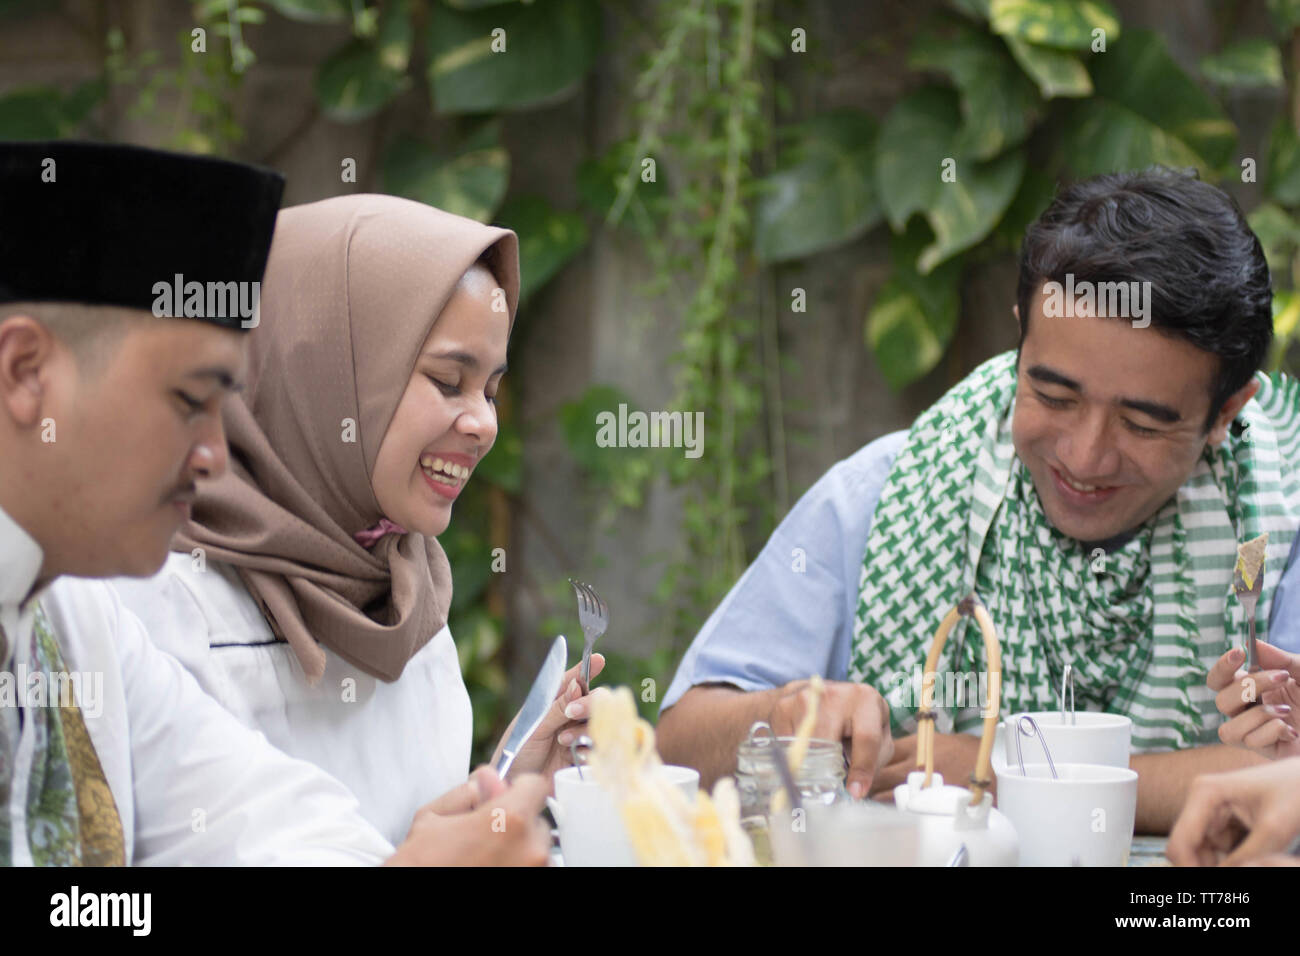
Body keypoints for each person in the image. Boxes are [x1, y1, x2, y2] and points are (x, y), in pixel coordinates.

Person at [657, 167, 1300, 835]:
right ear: (1022, 335)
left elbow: (1288, 783)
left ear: (1228, 410)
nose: (1084, 457)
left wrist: (995, 774)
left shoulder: (1276, 524)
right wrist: (786, 714)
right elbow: (677, 743)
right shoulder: (886, 499)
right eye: (1053, 396)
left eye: (1141, 424)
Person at [0, 140, 549, 865]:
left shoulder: (71, 617)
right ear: (24, 372)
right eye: (190, 400)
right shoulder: (133, 601)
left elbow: (264, 818)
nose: (217, 455)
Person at [107, 194, 603, 846]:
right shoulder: (158, 600)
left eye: (490, 389)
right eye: (449, 381)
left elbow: (399, 838)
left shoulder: (409, 590)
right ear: (325, 371)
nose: (484, 423)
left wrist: (503, 785)